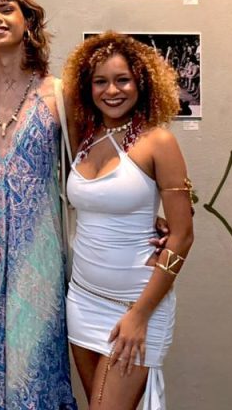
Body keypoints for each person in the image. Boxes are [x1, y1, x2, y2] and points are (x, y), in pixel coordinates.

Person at [0, 0, 75, 410]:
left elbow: (85, 173)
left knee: (33, 360)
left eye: (7, 9)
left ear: (29, 21)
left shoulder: (59, 93)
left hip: (37, 251)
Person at [62, 32, 194, 410]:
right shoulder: (84, 137)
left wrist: (139, 315)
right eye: (100, 81)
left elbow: (183, 236)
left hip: (136, 304)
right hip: (82, 299)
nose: (111, 91)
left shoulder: (158, 142)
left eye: (123, 80)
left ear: (141, 82)